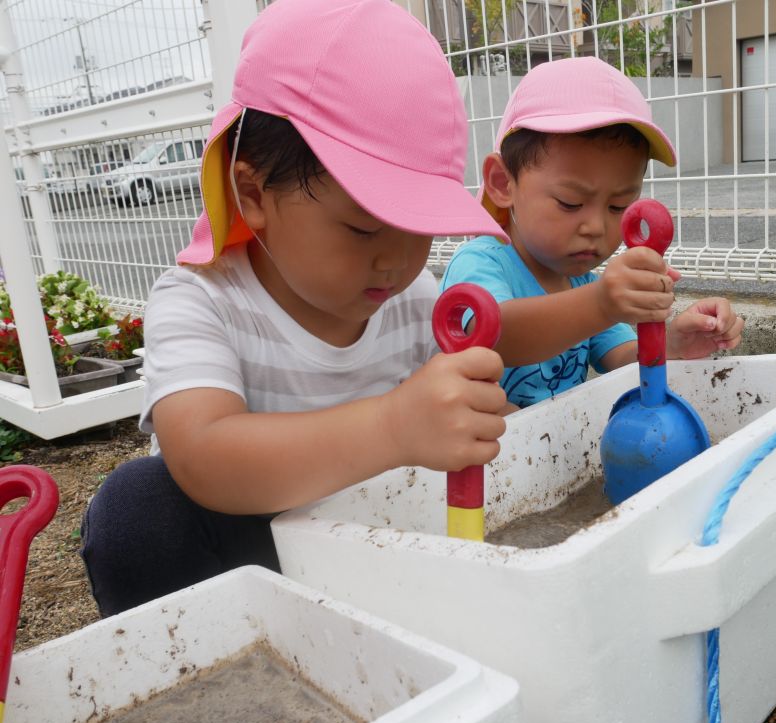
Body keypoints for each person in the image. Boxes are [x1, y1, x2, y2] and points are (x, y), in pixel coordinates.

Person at [81, 0, 509, 616]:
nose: (395, 260)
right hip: (247, 570)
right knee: (138, 508)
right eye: (363, 230)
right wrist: (395, 426)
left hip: (367, 556)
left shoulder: (416, 300)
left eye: (419, 229)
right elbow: (204, 456)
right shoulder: (202, 301)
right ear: (252, 192)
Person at [441, 57, 744, 410]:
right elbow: (494, 337)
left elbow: (621, 358)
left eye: (618, 206)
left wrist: (673, 344)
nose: (597, 228)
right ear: (502, 183)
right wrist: (601, 303)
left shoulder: (582, 283)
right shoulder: (479, 263)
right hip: (485, 459)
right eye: (570, 202)